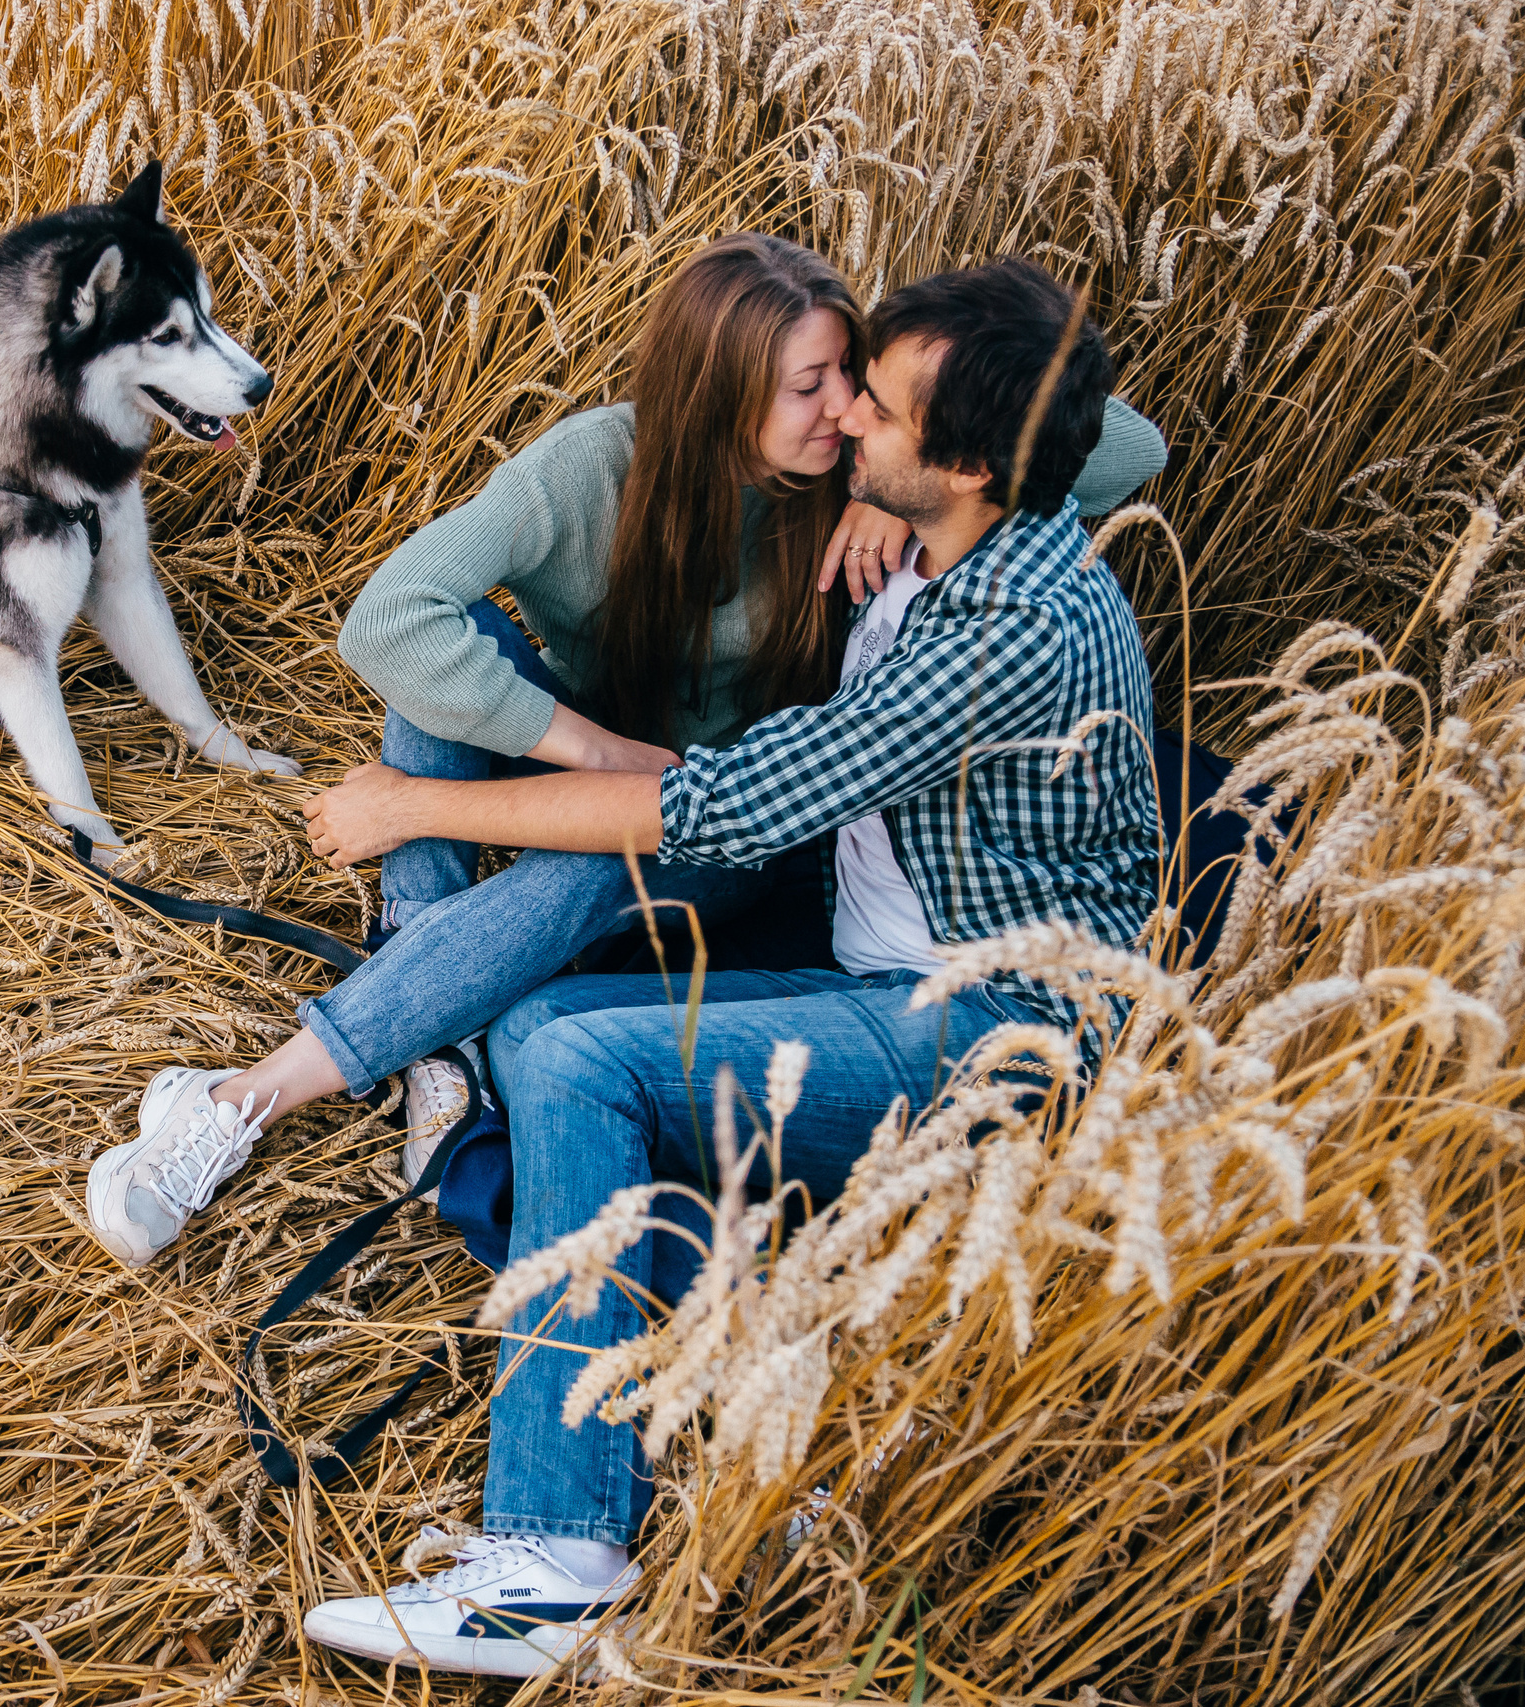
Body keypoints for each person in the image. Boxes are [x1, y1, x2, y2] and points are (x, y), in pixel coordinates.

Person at [293, 258, 1161, 1676]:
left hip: (998, 1025)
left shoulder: (988, 636)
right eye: (838, 388)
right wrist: (891, 513)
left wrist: (414, 807)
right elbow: (1056, 427)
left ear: (962, 461)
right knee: (551, 1025)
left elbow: (713, 806)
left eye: (872, 408)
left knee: (573, 1053)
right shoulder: (971, 528)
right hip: (892, 956)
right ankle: (655, 1298)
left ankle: (557, 1556)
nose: (844, 430)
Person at [81, 233, 1165, 1271]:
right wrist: (595, 750)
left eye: (856, 378)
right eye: (812, 384)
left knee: (601, 858)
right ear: (717, 389)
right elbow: (386, 620)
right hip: (617, 765)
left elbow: (1120, 443)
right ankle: (442, 1045)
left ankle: (244, 1098)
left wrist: (928, 477)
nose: (843, 407)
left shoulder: (879, 471)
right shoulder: (596, 468)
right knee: (445, 671)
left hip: (739, 821)